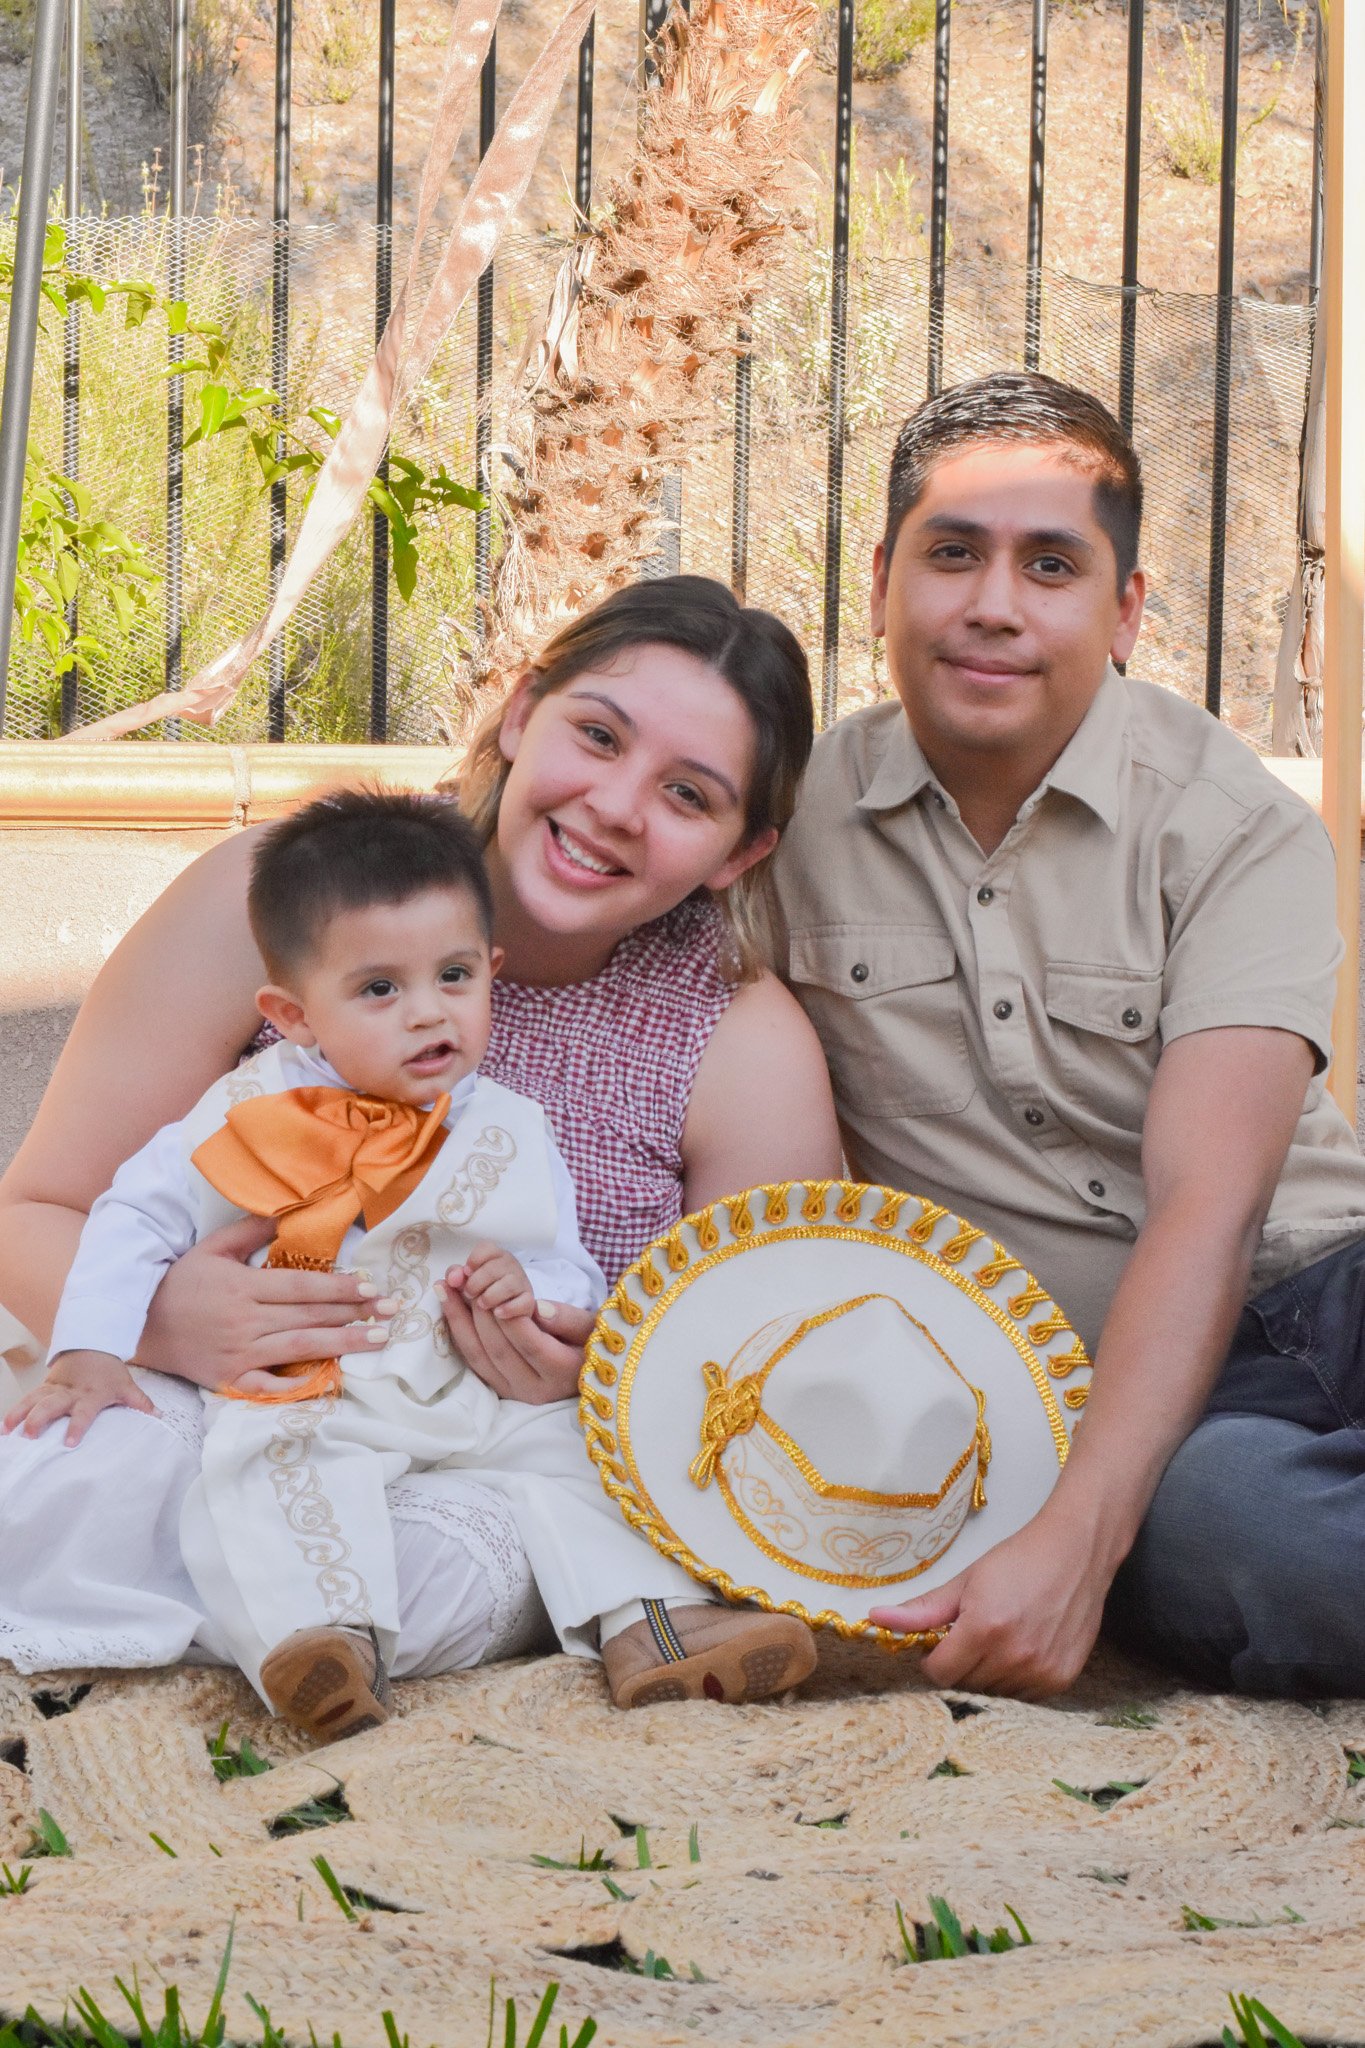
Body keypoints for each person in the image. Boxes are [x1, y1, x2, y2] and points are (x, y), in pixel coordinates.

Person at [0, 577, 842, 1688]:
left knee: (480, 1554)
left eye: (687, 794)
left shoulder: (737, 1039)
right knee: (94, 1465)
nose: (615, 805)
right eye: (597, 736)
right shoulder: (294, 900)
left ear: (740, 851)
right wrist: (165, 1322)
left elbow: (749, 1378)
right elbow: (37, 1210)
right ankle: (257, 1600)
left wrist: (595, 1373)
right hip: (220, 1402)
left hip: (473, 1460)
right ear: (521, 710)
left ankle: (318, 1625)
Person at [767, 370, 1365, 1701]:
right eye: (952, 554)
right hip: (1153, 1414)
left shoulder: (1233, 825)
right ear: (881, 582)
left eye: (1050, 565)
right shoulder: (782, 823)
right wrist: (1087, 1523)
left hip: (1326, 1282)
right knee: (1237, 1533)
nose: (995, 604)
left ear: (1125, 609)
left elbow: (1211, 1207)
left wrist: (1077, 1544)